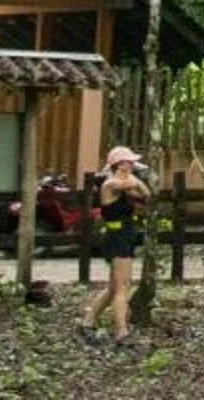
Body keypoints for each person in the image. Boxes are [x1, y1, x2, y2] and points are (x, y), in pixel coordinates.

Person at [79, 146, 151, 348]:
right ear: (119, 164)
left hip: (126, 235)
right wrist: (134, 181)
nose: (132, 165)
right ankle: (121, 332)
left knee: (113, 288)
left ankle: (88, 321)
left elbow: (146, 195)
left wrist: (136, 183)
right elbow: (133, 184)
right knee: (123, 287)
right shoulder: (110, 184)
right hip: (116, 236)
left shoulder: (126, 186)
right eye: (128, 162)